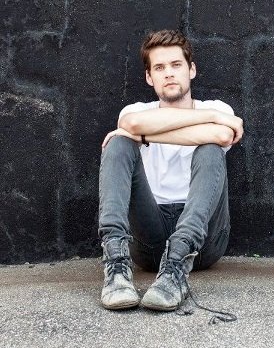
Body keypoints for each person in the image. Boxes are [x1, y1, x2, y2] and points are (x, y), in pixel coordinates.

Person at [98, 29, 243, 311]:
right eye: (160, 68)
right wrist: (211, 120)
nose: (169, 73)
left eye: (176, 65)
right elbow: (131, 125)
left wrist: (143, 135)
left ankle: (176, 269)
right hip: (148, 238)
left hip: (203, 242)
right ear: (149, 77)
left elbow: (223, 136)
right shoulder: (135, 111)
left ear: (191, 70)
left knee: (210, 149)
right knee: (118, 144)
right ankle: (116, 266)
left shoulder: (218, 106)